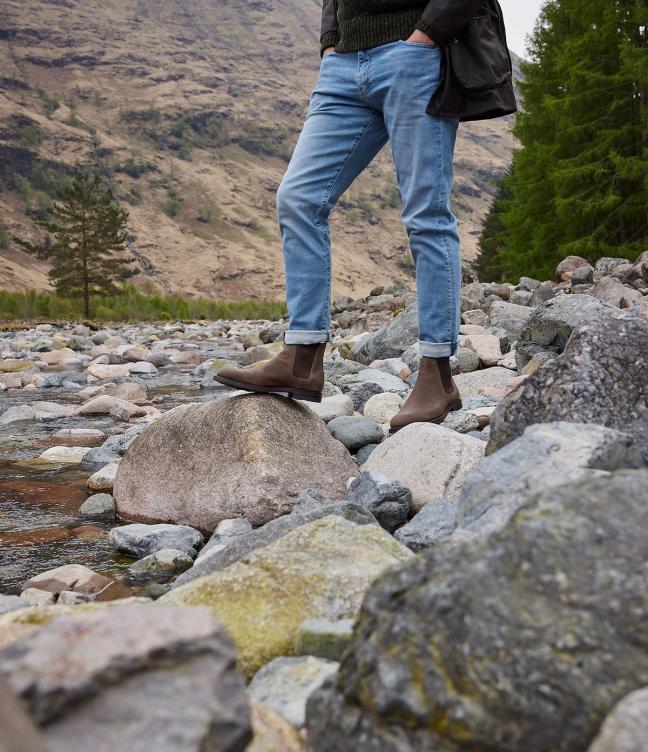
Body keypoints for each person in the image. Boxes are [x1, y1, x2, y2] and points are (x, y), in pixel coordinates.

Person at [216, 0, 516, 433]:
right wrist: (330, 42)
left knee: (426, 213)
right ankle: (302, 358)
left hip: (413, 53)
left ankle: (437, 373)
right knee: (298, 197)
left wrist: (427, 33)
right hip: (343, 66)